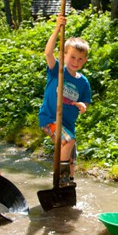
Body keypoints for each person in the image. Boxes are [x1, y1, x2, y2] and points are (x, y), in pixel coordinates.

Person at [38, 15, 92, 187]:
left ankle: (67, 184)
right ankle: (60, 179)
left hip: (68, 125)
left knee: (72, 161)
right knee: (68, 141)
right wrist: (57, 29)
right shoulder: (58, 70)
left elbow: (85, 102)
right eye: (72, 57)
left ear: (85, 60)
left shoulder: (83, 82)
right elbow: (48, 52)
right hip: (50, 119)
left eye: (80, 58)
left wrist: (83, 106)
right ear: (64, 55)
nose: (76, 62)